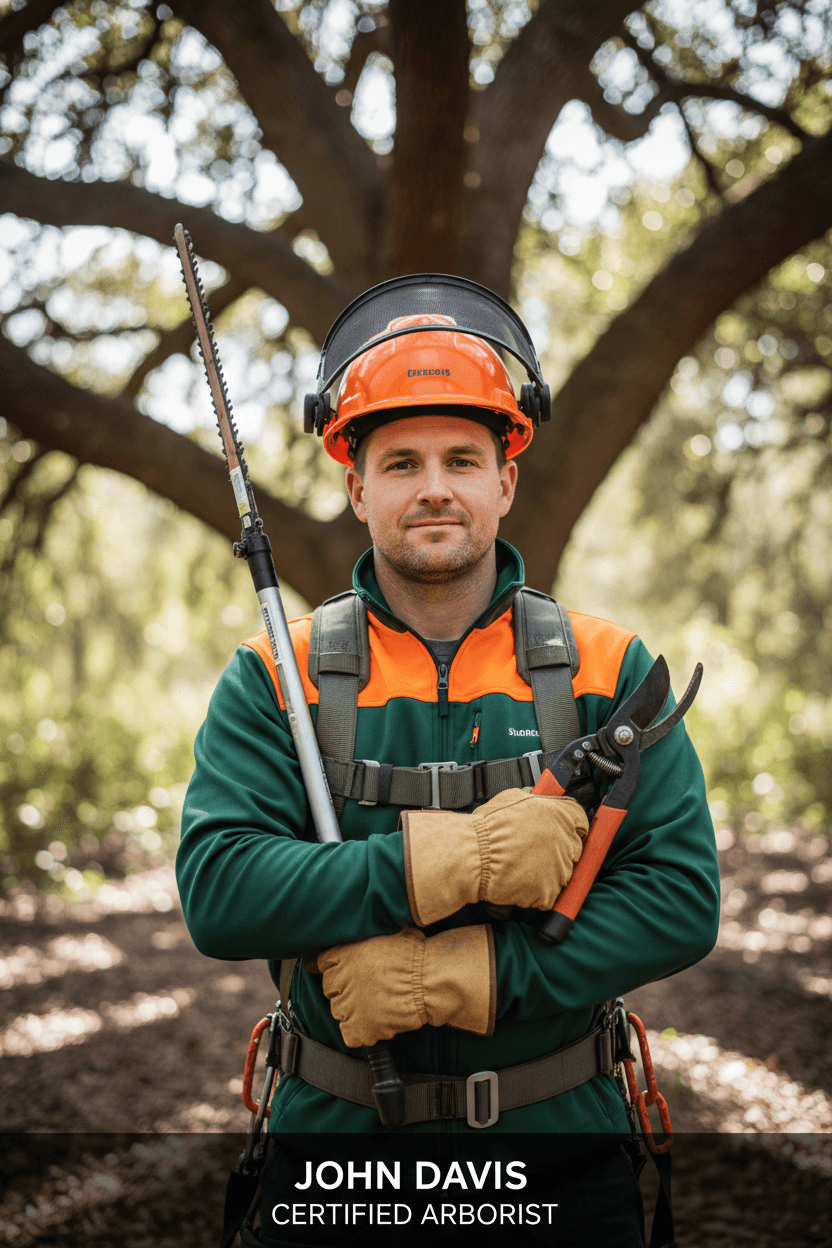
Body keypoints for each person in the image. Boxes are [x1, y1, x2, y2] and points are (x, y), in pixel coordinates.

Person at [176, 276, 720, 1248]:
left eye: (462, 458)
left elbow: (675, 901)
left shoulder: (607, 669)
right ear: (356, 486)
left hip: (559, 1163)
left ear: (504, 479)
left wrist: (469, 978)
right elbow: (222, 891)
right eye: (401, 461)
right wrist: (441, 863)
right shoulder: (276, 675)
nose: (434, 486)